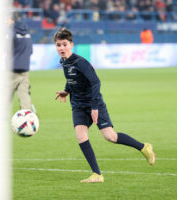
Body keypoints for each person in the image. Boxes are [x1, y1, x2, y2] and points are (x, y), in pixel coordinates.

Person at [54, 27, 155, 183]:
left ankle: (143, 147)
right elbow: (71, 79)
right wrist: (66, 91)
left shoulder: (81, 62)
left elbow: (95, 82)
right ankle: (97, 174)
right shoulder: (64, 61)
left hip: (94, 103)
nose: (61, 48)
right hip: (78, 105)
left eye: (64, 44)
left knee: (110, 136)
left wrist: (94, 107)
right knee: (81, 136)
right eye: (58, 45)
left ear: (71, 45)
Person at [9, 13, 36, 113]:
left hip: (13, 69)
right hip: (25, 68)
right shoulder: (27, 32)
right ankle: (27, 120)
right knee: (24, 95)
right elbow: (31, 51)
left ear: (12, 20)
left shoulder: (11, 32)